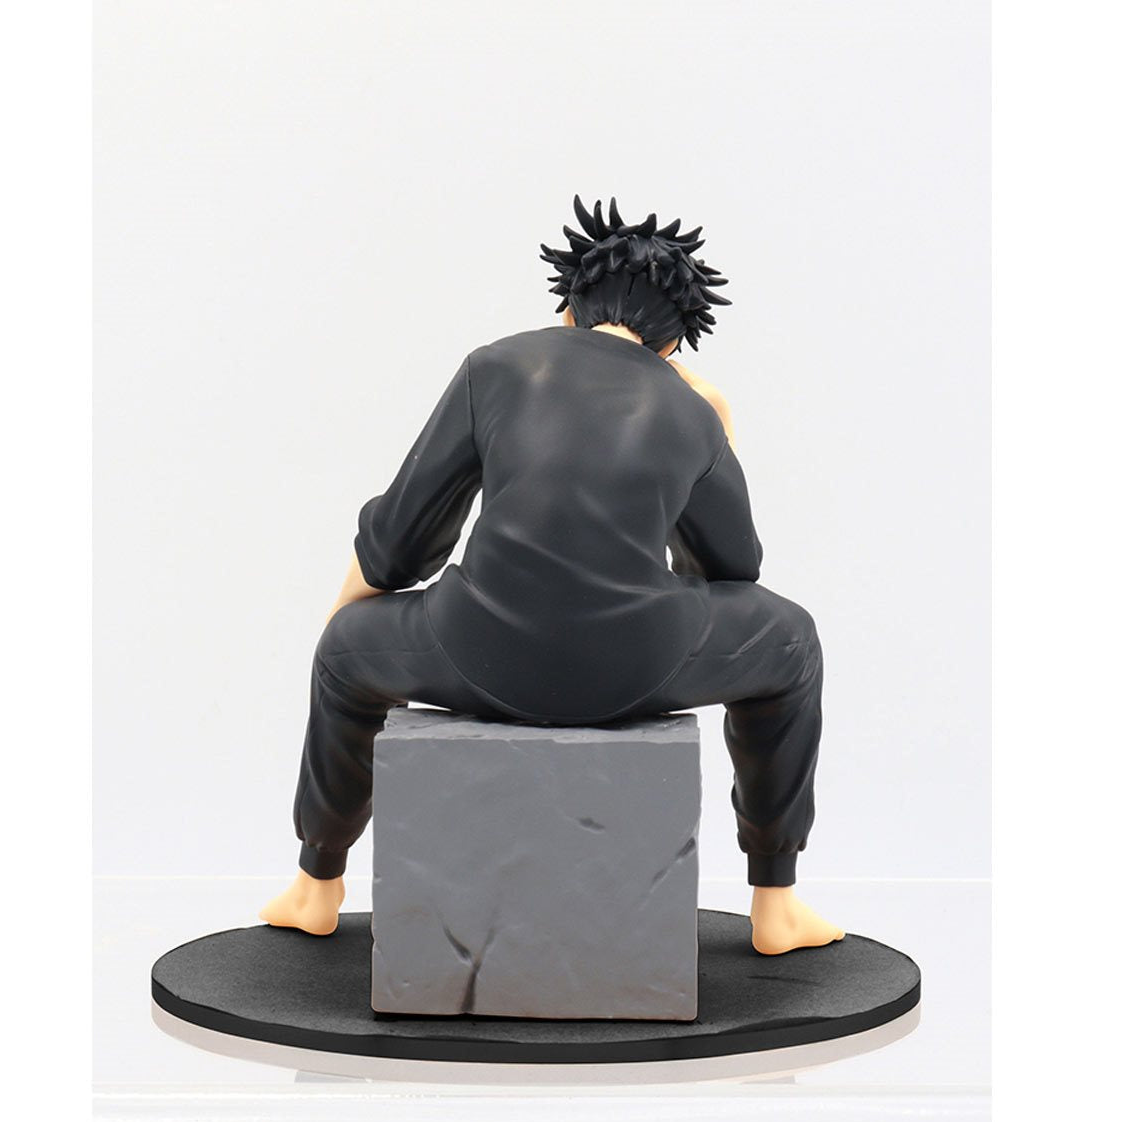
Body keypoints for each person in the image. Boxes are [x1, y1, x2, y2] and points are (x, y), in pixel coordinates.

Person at [260, 195, 843, 955]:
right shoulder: (693, 410)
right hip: (638, 669)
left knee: (346, 654)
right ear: (674, 343)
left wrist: (340, 627)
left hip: (473, 654)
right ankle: (777, 902)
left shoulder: (494, 366)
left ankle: (316, 884)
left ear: (569, 307)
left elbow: (401, 541)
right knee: (792, 641)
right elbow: (736, 573)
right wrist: (715, 438)